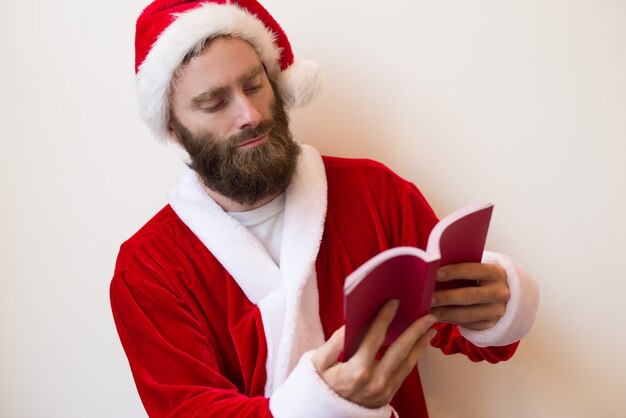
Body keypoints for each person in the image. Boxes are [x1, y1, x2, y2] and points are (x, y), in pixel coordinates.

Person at [110, 1, 540, 417]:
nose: (249, 113)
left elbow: (473, 337)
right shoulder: (148, 269)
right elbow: (187, 411)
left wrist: (494, 304)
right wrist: (321, 407)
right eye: (214, 103)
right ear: (172, 124)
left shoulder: (373, 192)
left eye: (255, 84)